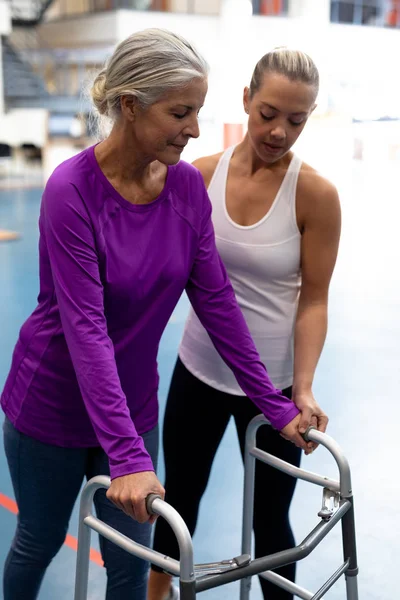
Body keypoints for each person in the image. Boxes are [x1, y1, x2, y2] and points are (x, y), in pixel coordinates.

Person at [0, 31, 325, 600]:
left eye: (197, 110)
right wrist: (127, 458)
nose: (196, 128)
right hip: (50, 404)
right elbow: (86, 329)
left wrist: (275, 406)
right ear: (130, 105)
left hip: (133, 403)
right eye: (181, 112)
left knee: (131, 565)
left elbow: (218, 304)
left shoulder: (183, 187)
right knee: (39, 539)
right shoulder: (70, 191)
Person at [148, 47, 340, 600]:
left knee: (272, 519)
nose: (279, 131)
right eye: (269, 113)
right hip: (199, 372)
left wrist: (301, 386)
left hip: (273, 388)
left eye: (296, 120)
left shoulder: (316, 195)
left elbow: (315, 300)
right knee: (177, 499)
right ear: (246, 100)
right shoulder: (197, 177)